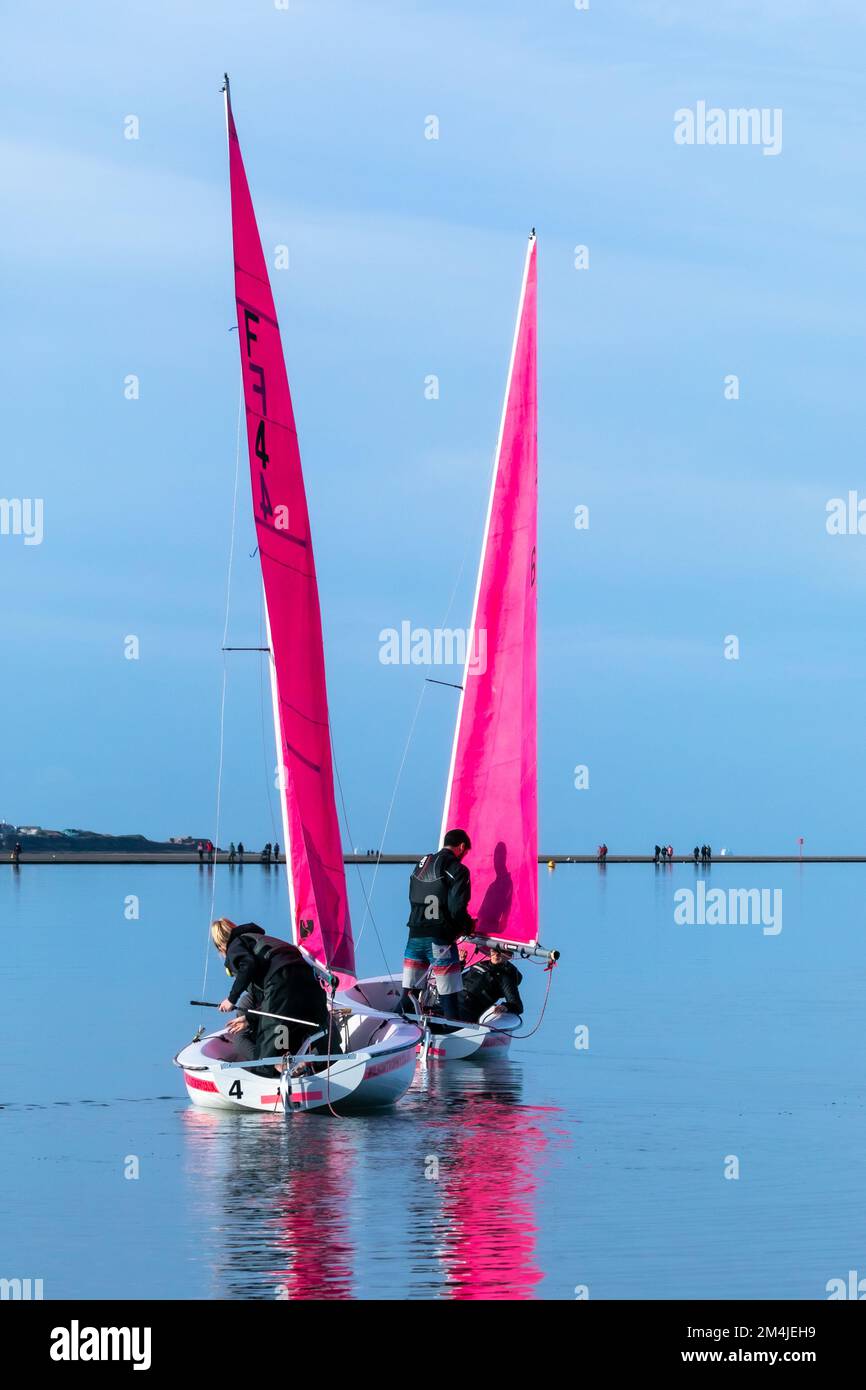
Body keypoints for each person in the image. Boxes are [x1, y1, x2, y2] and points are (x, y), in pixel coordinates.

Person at [212, 918, 334, 1075]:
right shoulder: (261, 940)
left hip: (282, 982)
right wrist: (249, 1018)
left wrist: (231, 999)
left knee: (265, 1056)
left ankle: (278, 1070)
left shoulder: (235, 945)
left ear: (221, 947)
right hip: (309, 982)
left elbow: (247, 965)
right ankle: (311, 1063)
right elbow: (273, 1006)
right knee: (304, 1026)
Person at [398, 828, 474, 1022]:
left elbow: (411, 897)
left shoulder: (422, 864)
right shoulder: (458, 870)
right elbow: (457, 908)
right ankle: (453, 1035)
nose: (464, 857)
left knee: (409, 994)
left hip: (414, 936)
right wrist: (468, 927)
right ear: (462, 847)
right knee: (449, 996)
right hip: (439, 940)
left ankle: (390, 1029)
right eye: (465, 853)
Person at [459, 944, 524, 1023]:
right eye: (494, 950)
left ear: (509, 956)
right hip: (451, 999)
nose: (496, 954)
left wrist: (504, 1007)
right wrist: (461, 963)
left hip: (468, 1009)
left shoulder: (505, 977)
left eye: (501, 952)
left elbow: (517, 1005)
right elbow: (455, 979)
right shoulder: (480, 964)